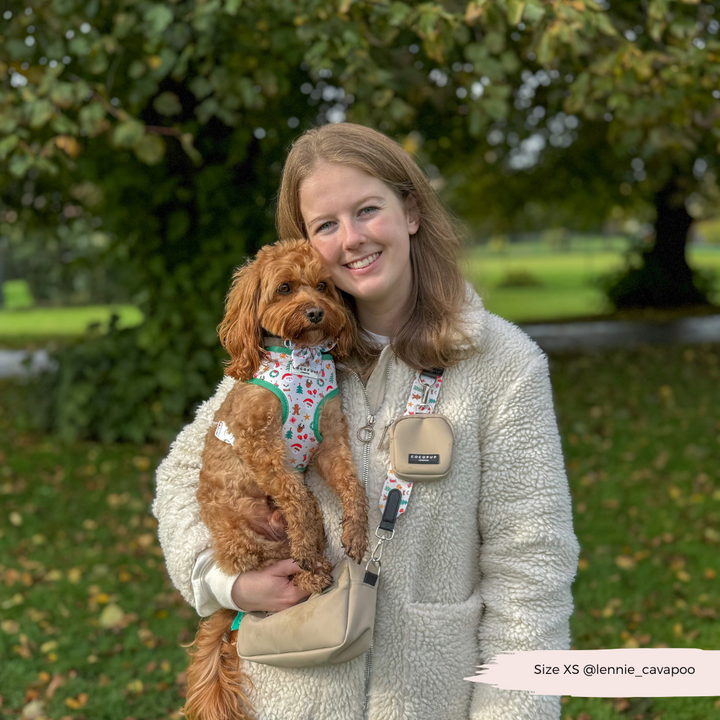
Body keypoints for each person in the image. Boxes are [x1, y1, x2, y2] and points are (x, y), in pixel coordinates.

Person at [153, 123, 580, 720]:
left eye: (367, 209)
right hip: (283, 697)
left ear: (409, 210)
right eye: (326, 225)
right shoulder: (280, 361)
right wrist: (228, 586)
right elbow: (179, 479)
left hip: (432, 699)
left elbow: (531, 568)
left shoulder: (504, 367)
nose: (351, 239)